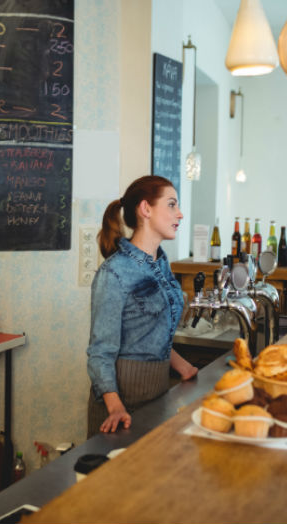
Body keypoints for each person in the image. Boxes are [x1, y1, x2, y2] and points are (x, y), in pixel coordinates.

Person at [86, 175, 198, 437]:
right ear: (146, 209)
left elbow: (150, 332)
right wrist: (114, 407)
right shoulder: (113, 273)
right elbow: (100, 351)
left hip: (157, 396)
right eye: (171, 205)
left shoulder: (161, 263)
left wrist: (182, 366)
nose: (179, 214)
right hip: (121, 407)